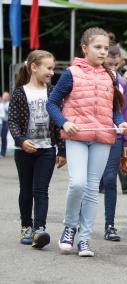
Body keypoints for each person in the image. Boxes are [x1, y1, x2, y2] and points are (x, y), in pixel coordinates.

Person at [47, 27, 127, 257]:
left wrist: (120, 123)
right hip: (76, 135)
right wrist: (64, 123)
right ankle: (69, 227)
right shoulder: (71, 73)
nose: (103, 52)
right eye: (98, 47)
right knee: (78, 184)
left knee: (93, 189)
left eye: (105, 48)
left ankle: (84, 239)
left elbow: (114, 110)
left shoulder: (111, 76)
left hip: (103, 137)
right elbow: (52, 103)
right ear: (84, 48)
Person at [9, 50, 66, 248]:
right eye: (48, 68)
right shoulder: (19, 92)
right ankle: (26, 226)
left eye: (53, 68)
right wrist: (21, 140)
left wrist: (62, 150)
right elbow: (13, 121)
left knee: (41, 190)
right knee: (26, 190)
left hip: (47, 150)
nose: (52, 72)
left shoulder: (53, 92)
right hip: (24, 151)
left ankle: (39, 229)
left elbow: (60, 123)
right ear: (34, 67)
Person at [100, 45, 127, 241]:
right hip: (94, 135)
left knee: (110, 180)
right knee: (87, 182)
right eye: (108, 65)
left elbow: (125, 111)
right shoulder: (92, 79)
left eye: (115, 65)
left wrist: (126, 142)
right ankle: (78, 222)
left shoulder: (122, 82)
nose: (112, 69)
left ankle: (110, 225)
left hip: (116, 136)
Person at [0, 91, 10, 156]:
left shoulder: (8, 104)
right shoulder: (1, 103)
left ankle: (3, 152)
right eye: (4, 96)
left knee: (4, 137)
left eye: (6, 96)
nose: (5, 97)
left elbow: (8, 110)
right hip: (1, 121)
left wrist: (3, 103)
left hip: (5, 122)